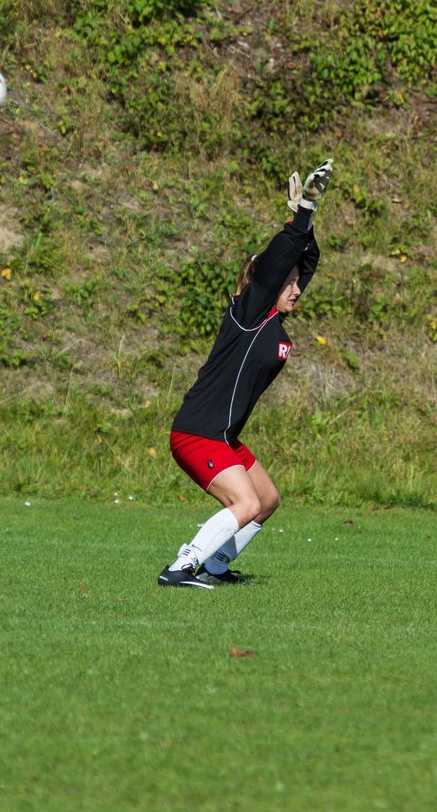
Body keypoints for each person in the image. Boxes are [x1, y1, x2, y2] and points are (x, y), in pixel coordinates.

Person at [158, 160, 333, 588]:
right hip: (198, 432)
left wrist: (305, 221)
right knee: (246, 502)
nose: (297, 289)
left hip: (221, 436)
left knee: (267, 500)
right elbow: (281, 262)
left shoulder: (270, 316)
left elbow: (305, 262)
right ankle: (182, 567)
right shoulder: (250, 311)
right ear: (268, 280)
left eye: (296, 283)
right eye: (287, 281)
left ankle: (217, 566)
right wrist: (301, 216)